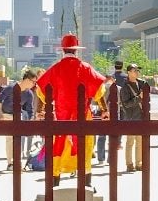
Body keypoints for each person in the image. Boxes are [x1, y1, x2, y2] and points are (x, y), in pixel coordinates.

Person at [35, 34, 106, 180]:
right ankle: (86, 183)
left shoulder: (55, 69)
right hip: (83, 116)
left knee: (60, 145)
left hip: (61, 116)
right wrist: (105, 110)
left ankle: (55, 181)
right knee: (84, 147)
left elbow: (41, 88)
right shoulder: (85, 68)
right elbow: (99, 89)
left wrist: (40, 110)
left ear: (63, 50)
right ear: (76, 51)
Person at [0, 69, 38, 171]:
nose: (34, 84)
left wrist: (29, 121)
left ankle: (17, 162)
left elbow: (30, 110)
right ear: (27, 79)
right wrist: (0, 114)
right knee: (9, 138)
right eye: (33, 82)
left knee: (18, 139)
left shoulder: (29, 94)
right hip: (6, 114)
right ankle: (10, 163)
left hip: (18, 115)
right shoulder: (11, 88)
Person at [118, 63, 146, 172]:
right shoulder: (125, 87)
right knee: (130, 142)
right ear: (128, 72)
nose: (136, 72)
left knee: (140, 141)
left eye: (137, 70)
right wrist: (139, 98)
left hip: (140, 117)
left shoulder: (141, 84)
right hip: (130, 117)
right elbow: (126, 104)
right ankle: (129, 164)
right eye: (134, 70)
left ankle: (139, 163)